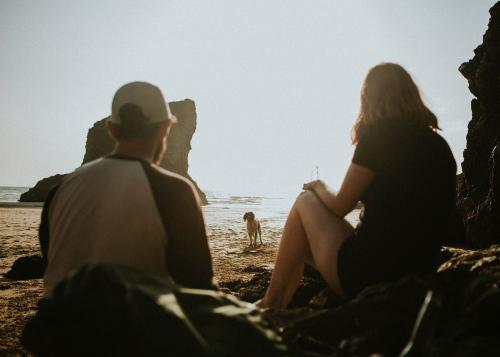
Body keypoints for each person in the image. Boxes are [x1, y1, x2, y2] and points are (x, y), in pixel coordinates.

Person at [258, 63, 457, 309]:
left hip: (369, 275)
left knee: (305, 201)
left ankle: (271, 303)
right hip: (419, 274)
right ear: (411, 94)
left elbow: (341, 204)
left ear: (368, 97)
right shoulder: (440, 146)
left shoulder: (379, 136)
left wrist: (318, 186)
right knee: (300, 242)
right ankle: (276, 303)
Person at [39, 81, 215, 296]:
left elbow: (51, 260)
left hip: (52, 324)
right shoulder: (174, 191)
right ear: (165, 129)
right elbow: (198, 286)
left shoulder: (60, 189)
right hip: (133, 326)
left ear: (112, 129)